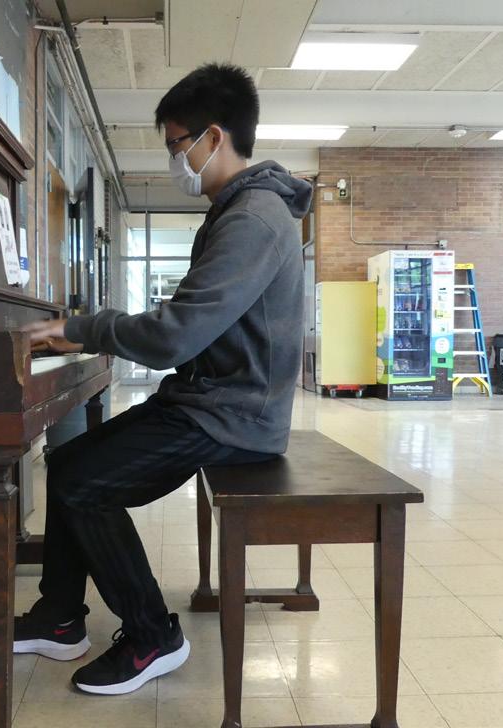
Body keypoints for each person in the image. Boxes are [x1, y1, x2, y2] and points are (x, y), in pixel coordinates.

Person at [17, 62, 312, 696]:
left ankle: (153, 636)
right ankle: (60, 617)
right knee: (67, 465)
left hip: (233, 418)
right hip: (212, 403)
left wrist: (83, 329)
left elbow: (174, 336)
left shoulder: (253, 219)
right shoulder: (235, 212)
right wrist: (88, 331)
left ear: (214, 137)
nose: (175, 159)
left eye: (177, 144)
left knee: (84, 486)